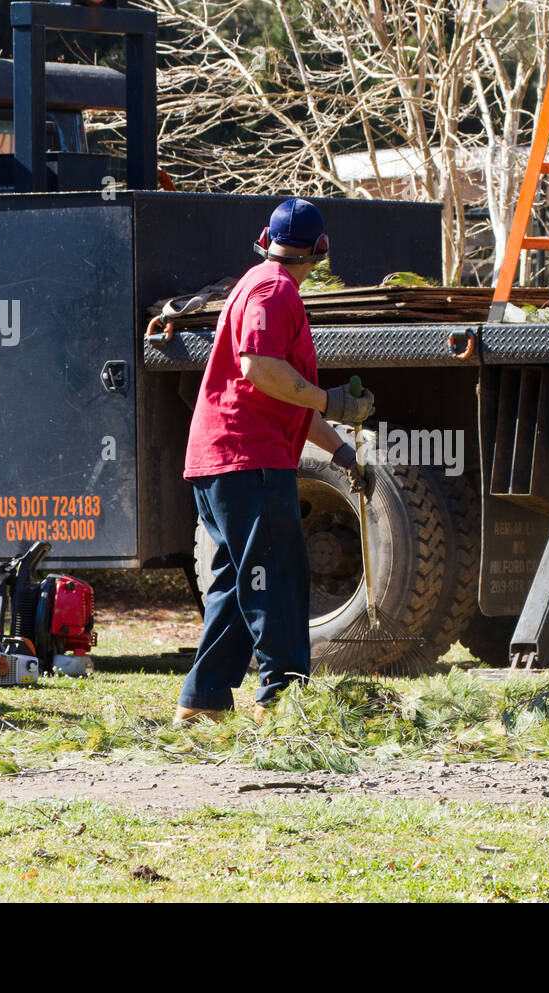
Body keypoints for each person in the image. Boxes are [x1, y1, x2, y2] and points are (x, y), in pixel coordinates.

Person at [177, 198, 374, 725]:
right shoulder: (274, 288)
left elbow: (284, 394)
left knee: (236, 584)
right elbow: (259, 366)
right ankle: (283, 705)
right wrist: (329, 399)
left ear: (266, 239)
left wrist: (341, 450)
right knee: (278, 580)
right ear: (321, 251)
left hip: (221, 460)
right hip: (251, 461)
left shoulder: (252, 282)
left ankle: (203, 703)